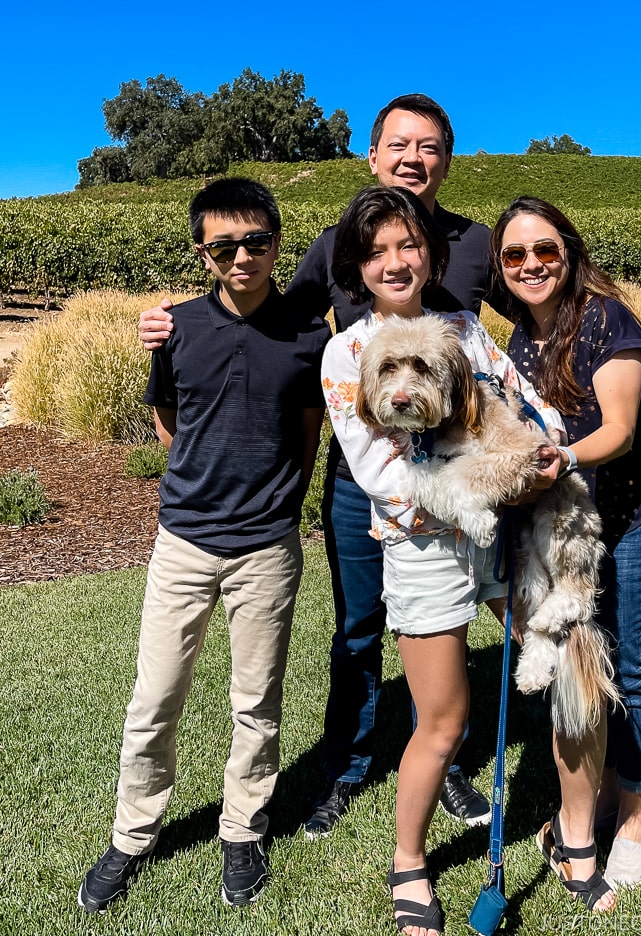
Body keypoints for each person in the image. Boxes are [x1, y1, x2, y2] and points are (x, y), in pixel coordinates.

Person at [138, 94, 505, 837]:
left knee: (445, 621)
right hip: (360, 478)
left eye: (429, 146)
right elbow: (277, 322)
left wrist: (607, 331)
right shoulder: (339, 242)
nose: (413, 157)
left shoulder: (473, 244)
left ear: (447, 160)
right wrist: (174, 325)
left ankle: (446, 762)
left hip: (457, 474)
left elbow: (536, 304)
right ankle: (347, 765)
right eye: (398, 143)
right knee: (359, 630)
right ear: (371, 156)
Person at [78, 178, 330, 913]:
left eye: (256, 241)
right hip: (183, 544)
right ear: (204, 252)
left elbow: (310, 430)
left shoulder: (308, 333)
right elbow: (168, 419)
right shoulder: (177, 327)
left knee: (256, 703)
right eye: (224, 245)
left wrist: (282, 503)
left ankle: (243, 829)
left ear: (278, 242)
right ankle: (132, 834)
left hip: (266, 550)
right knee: (155, 698)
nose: (242, 256)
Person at [322, 185, 562, 936]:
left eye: (408, 246)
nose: (395, 263)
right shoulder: (347, 352)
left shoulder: (463, 325)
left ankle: (583, 820)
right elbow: (385, 478)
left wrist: (545, 449)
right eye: (377, 251)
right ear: (358, 266)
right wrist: (486, 488)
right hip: (427, 546)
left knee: (559, 646)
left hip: (499, 520)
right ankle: (408, 860)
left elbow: (518, 400)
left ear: (430, 253)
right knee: (445, 720)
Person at [489, 196, 641, 900]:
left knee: (628, 665)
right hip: (562, 529)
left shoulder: (605, 318)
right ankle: (588, 806)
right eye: (515, 255)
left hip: (630, 518)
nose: (531, 264)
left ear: (568, 251)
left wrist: (558, 461)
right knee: (577, 660)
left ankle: (635, 815)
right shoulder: (516, 342)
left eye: (545, 250)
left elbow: (620, 430)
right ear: (501, 270)